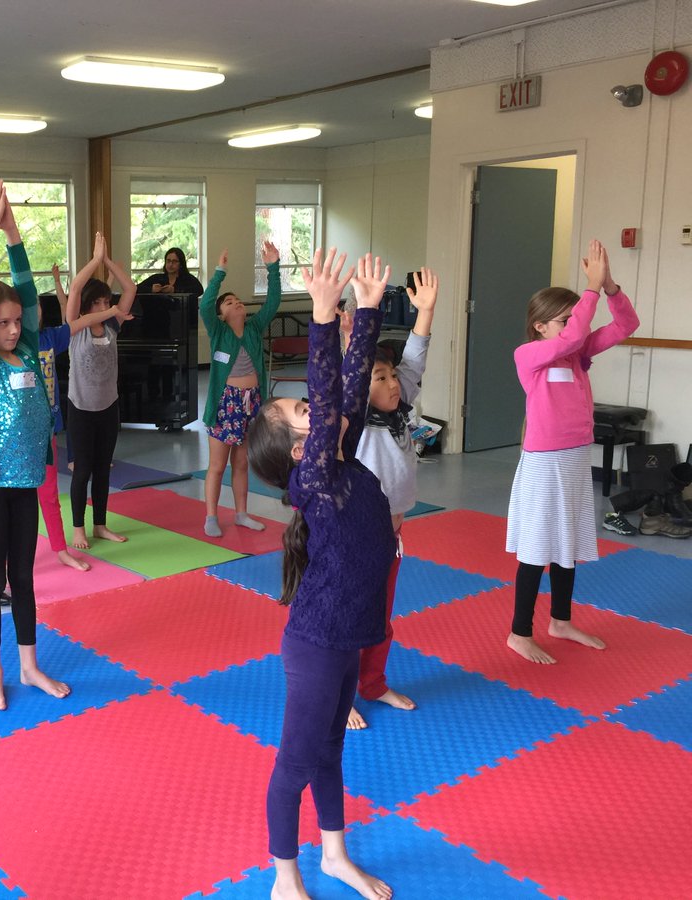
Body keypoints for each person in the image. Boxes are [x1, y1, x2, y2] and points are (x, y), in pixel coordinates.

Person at [246, 249, 396, 900]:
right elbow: (335, 391)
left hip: (347, 638)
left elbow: (351, 385)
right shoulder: (317, 479)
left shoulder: (341, 451)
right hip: (315, 644)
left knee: (332, 752)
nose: (317, 406)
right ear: (298, 453)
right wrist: (324, 316)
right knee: (297, 762)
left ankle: (335, 856)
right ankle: (285, 875)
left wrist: (367, 309)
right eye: (303, 413)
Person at [0, 176, 73, 711]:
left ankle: (29, 667)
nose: (10, 328)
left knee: (24, 577)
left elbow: (26, 292)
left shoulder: (28, 351)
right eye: (0, 323)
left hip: (26, 482)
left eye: (14, 323)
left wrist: (14, 233)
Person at [506, 239, 638, 664]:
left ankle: (560, 620)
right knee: (537, 546)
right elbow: (576, 333)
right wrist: (590, 290)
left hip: (577, 457)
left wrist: (610, 287)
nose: (570, 328)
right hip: (545, 464)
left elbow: (626, 325)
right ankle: (518, 632)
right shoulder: (529, 356)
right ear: (540, 326)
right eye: (560, 321)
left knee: (569, 541)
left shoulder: (577, 356)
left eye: (570, 320)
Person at [347, 267, 439, 730]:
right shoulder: (357, 419)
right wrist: (359, 323)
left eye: (391, 376)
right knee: (350, 618)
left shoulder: (400, 412)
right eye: (379, 377)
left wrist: (425, 313)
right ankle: (341, 696)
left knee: (381, 617)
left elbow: (415, 362)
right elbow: (351, 378)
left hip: (393, 534)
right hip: (357, 537)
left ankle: (373, 683)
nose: (392, 383)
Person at [199, 243, 282, 538]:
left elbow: (273, 302)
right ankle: (211, 516)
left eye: (238, 300)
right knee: (217, 465)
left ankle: (242, 513)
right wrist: (219, 273)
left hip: (251, 403)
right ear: (221, 315)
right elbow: (204, 305)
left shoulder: (254, 329)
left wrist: (273, 267)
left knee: (242, 463)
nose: (236, 303)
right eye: (229, 302)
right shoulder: (218, 331)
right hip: (225, 404)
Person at [63, 232, 138, 548]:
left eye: (108, 301)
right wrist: (94, 261)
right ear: (88, 305)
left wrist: (108, 261)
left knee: (103, 470)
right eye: (100, 302)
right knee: (82, 473)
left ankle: (100, 525)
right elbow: (76, 287)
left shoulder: (112, 326)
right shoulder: (75, 326)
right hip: (81, 408)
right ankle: (79, 527)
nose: (106, 306)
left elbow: (131, 288)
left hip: (108, 407)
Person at [136, 246, 204, 298]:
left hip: (182, 313)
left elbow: (199, 290)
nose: (170, 264)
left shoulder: (188, 278)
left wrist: (175, 290)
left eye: (174, 261)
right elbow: (135, 288)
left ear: (181, 264)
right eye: (168, 261)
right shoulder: (157, 278)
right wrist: (151, 289)